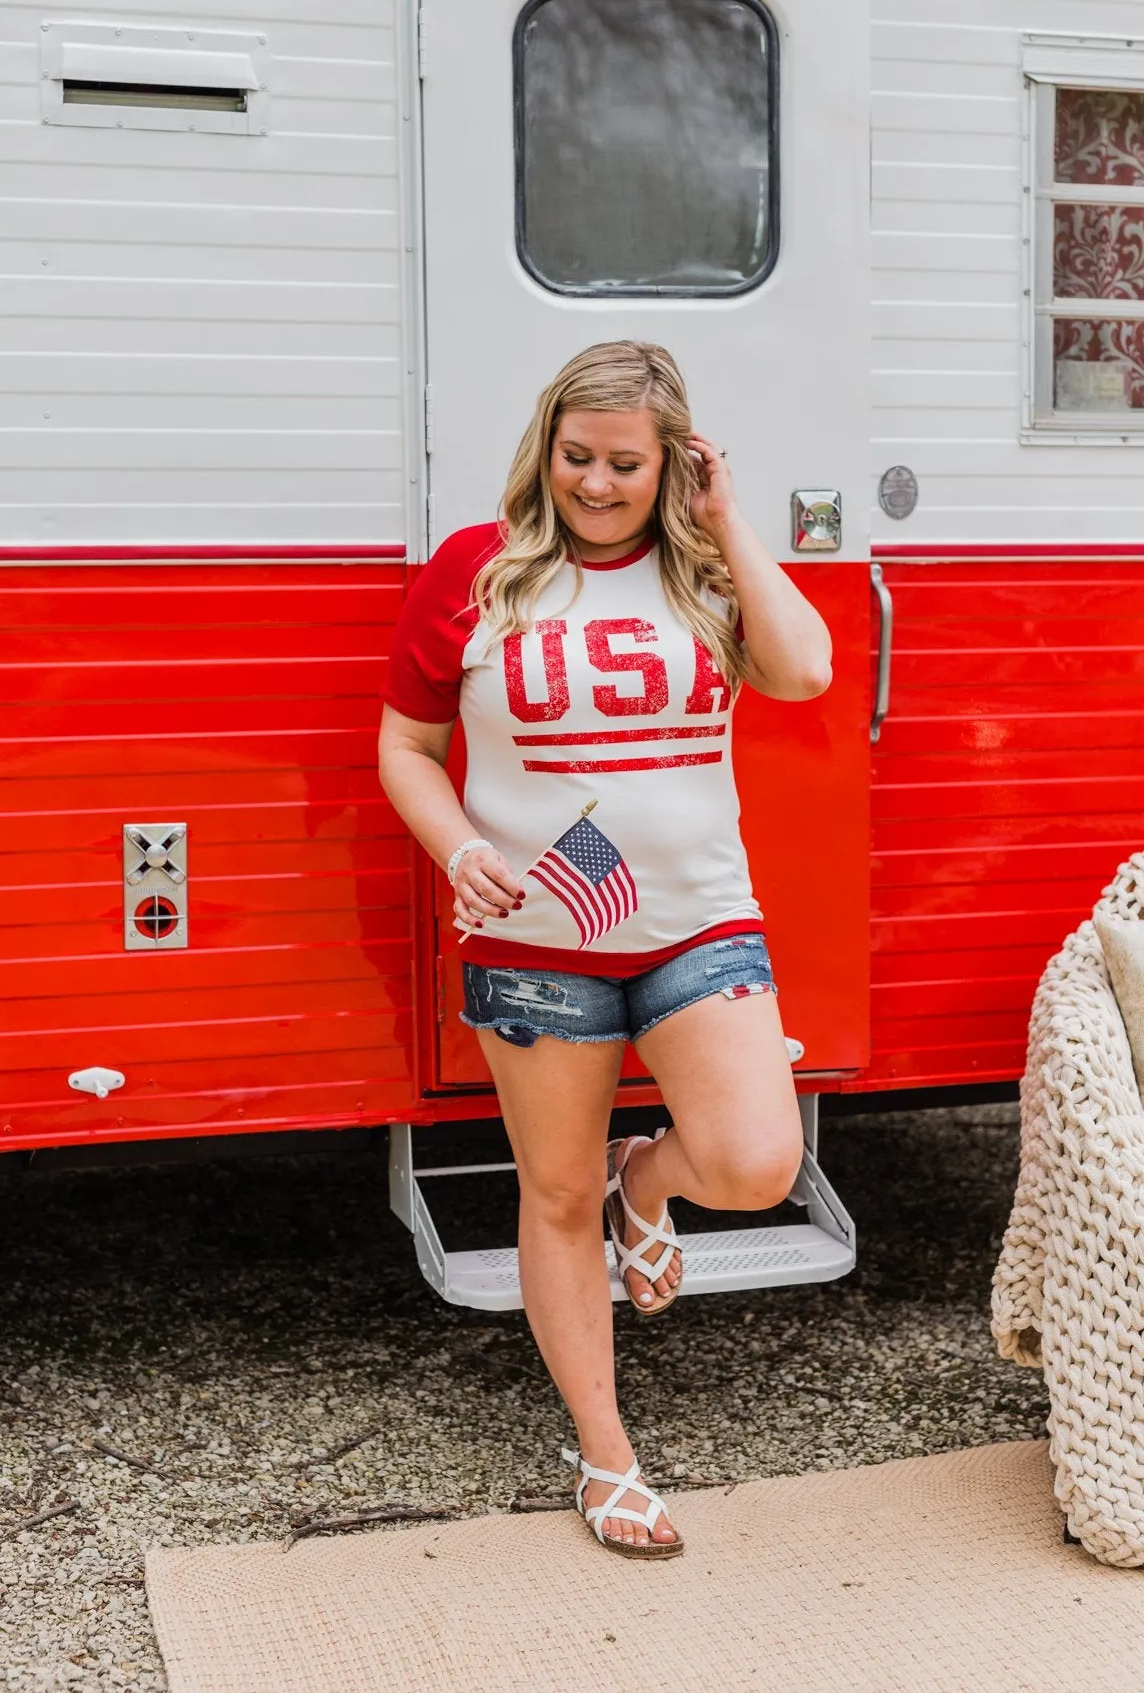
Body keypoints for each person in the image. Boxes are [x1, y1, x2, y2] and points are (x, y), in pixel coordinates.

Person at [378, 341, 832, 1557]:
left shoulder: (703, 574)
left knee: (752, 1161)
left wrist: (725, 518)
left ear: (671, 463)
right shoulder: (477, 572)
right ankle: (606, 1449)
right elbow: (406, 749)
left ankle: (655, 1180)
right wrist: (457, 846)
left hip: (698, 920)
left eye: (625, 463)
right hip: (535, 942)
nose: (594, 483)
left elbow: (805, 670)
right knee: (556, 1194)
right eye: (577, 456)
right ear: (546, 446)